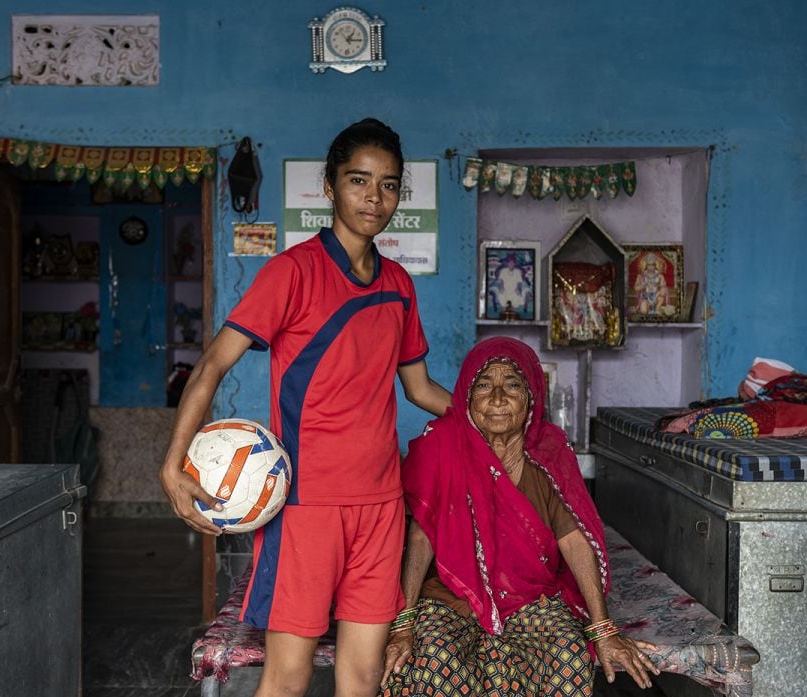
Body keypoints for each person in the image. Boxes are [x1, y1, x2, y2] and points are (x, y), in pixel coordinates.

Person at [159, 118, 452, 697]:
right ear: (329, 186)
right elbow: (213, 363)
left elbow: (420, 390)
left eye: (389, 185)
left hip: (381, 506)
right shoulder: (292, 272)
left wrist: (503, 421)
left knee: (362, 676)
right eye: (359, 181)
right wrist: (173, 464)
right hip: (305, 506)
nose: (374, 197)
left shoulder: (398, 284)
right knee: (288, 676)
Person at [380, 337, 660, 695]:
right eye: (484, 385)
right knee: (432, 658)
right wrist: (403, 622)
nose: (497, 398)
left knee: (568, 656)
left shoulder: (549, 451)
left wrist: (603, 627)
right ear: (466, 395)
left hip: (530, 598)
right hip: (451, 596)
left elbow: (573, 539)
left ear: (531, 395)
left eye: (511, 384)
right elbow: (421, 536)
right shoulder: (443, 444)